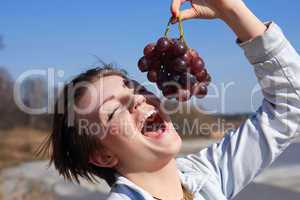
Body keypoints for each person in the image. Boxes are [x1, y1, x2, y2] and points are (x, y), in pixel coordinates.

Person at [40, 0, 300, 199]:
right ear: (104, 156)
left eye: (136, 89)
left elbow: (290, 107)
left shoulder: (205, 176)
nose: (137, 101)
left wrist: (231, 10)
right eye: (112, 110)